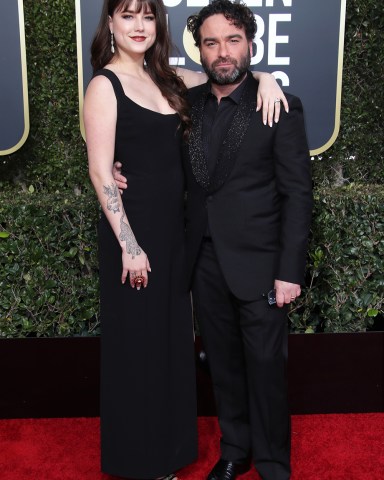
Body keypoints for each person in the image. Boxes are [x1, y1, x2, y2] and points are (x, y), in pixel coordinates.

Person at [85, 0, 288, 479]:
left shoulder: (170, 80)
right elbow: (100, 171)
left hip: (175, 237)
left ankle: (169, 454)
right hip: (133, 237)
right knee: (137, 348)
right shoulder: (103, 84)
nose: (139, 25)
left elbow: (227, 75)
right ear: (110, 23)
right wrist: (129, 247)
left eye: (148, 15)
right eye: (128, 15)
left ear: (159, 24)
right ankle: (140, 462)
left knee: (169, 346)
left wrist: (267, 79)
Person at [183, 1, 313, 479]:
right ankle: (236, 449)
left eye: (233, 40)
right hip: (204, 261)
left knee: (265, 368)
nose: (222, 52)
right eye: (212, 42)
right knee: (223, 365)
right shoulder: (187, 106)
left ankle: (274, 461)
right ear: (199, 48)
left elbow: (297, 194)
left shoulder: (278, 104)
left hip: (261, 263)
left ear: (251, 46)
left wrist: (289, 272)